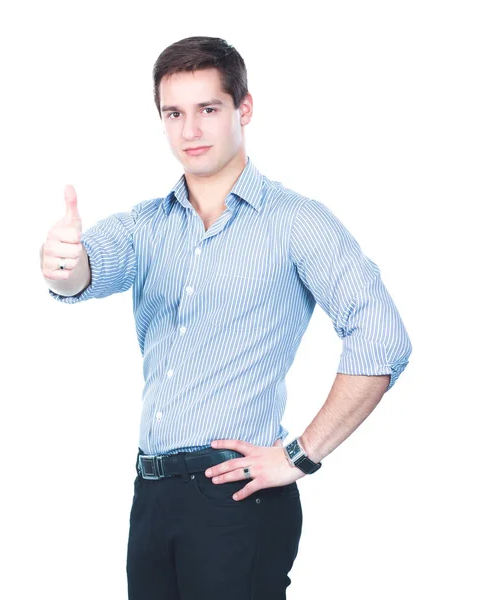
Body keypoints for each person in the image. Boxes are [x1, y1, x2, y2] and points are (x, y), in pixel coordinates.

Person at [39, 36, 412, 600]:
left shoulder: (297, 223)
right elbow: (82, 272)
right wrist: (63, 265)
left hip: (237, 497)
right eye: (174, 113)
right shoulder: (145, 226)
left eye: (208, 109)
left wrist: (302, 454)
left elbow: (381, 337)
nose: (190, 130)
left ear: (244, 109)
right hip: (152, 497)